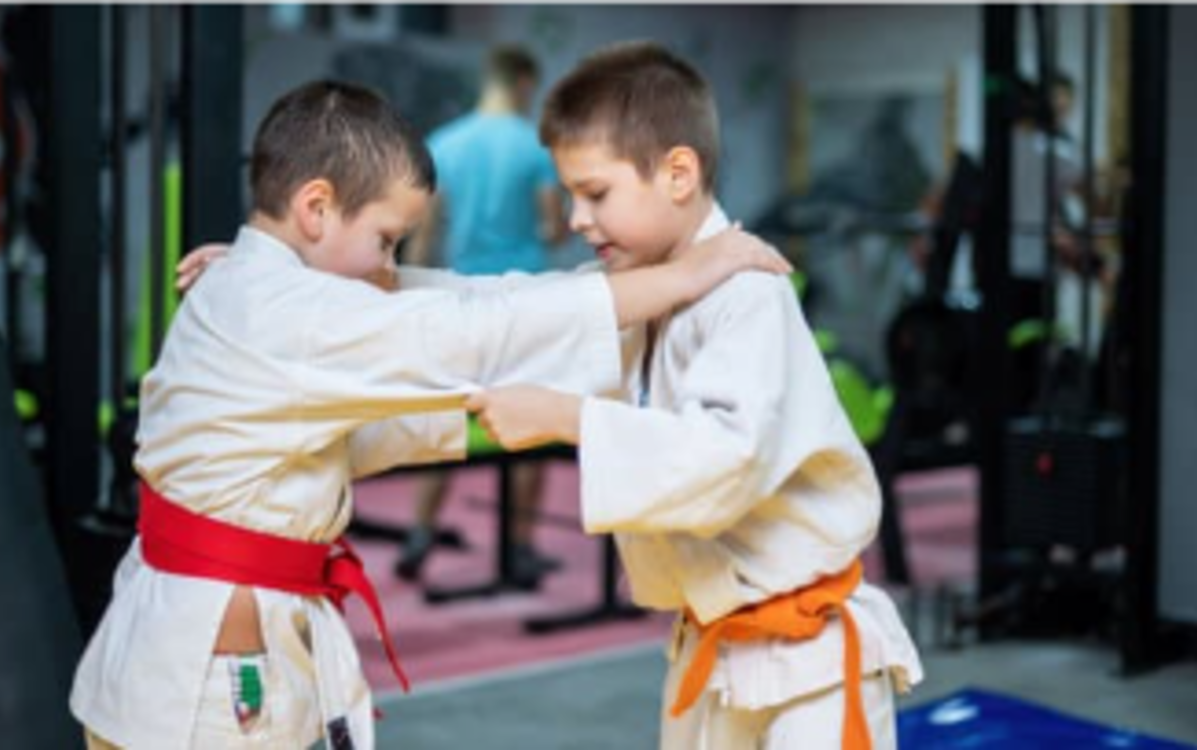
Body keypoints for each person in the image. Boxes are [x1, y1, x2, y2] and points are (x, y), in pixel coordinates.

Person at [70, 79, 789, 750]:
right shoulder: (283, 307)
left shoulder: (256, 286)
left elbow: (456, 303)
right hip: (209, 676)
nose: (389, 265)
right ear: (315, 209)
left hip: (185, 647)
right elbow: (474, 331)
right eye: (386, 240)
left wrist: (625, 295)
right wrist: (684, 274)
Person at [467, 42, 923, 749]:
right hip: (712, 643)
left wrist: (571, 419)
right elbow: (528, 323)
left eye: (595, 193)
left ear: (678, 174)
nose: (577, 218)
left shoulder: (747, 291)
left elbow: (725, 458)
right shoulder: (635, 290)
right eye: (571, 196)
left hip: (809, 657)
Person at [399, 45, 568, 586]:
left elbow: (424, 237)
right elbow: (554, 229)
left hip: (464, 300)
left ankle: (420, 532)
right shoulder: (535, 145)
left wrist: (410, 300)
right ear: (523, 83)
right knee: (530, 424)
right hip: (524, 302)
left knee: (448, 421)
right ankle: (518, 547)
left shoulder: (444, 143)